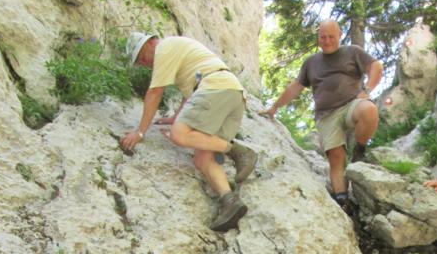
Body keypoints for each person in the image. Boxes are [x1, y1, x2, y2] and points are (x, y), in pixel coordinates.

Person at [121, 33, 257, 233]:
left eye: (141, 58)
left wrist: (139, 132)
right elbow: (191, 95)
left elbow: (155, 93)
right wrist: (175, 117)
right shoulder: (181, 53)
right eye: (139, 63)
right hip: (232, 94)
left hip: (215, 88)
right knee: (202, 158)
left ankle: (237, 151)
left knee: (179, 135)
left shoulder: (164, 48)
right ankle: (229, 201)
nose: (144, 64)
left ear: (150, 43)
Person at [260, 19, 383, 210]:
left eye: (331, 37)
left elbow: (376, 67)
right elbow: (295, 87)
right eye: (323, 37)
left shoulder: (353, 52)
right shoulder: (311, 62)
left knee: (369, 110)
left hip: (352, 104)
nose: (327, 41)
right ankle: (342, 201)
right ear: (318, 38)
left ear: (340, 35)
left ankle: (359, 150)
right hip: (327, 115)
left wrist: (367, 90)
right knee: (336, 157)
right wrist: (275, 107)